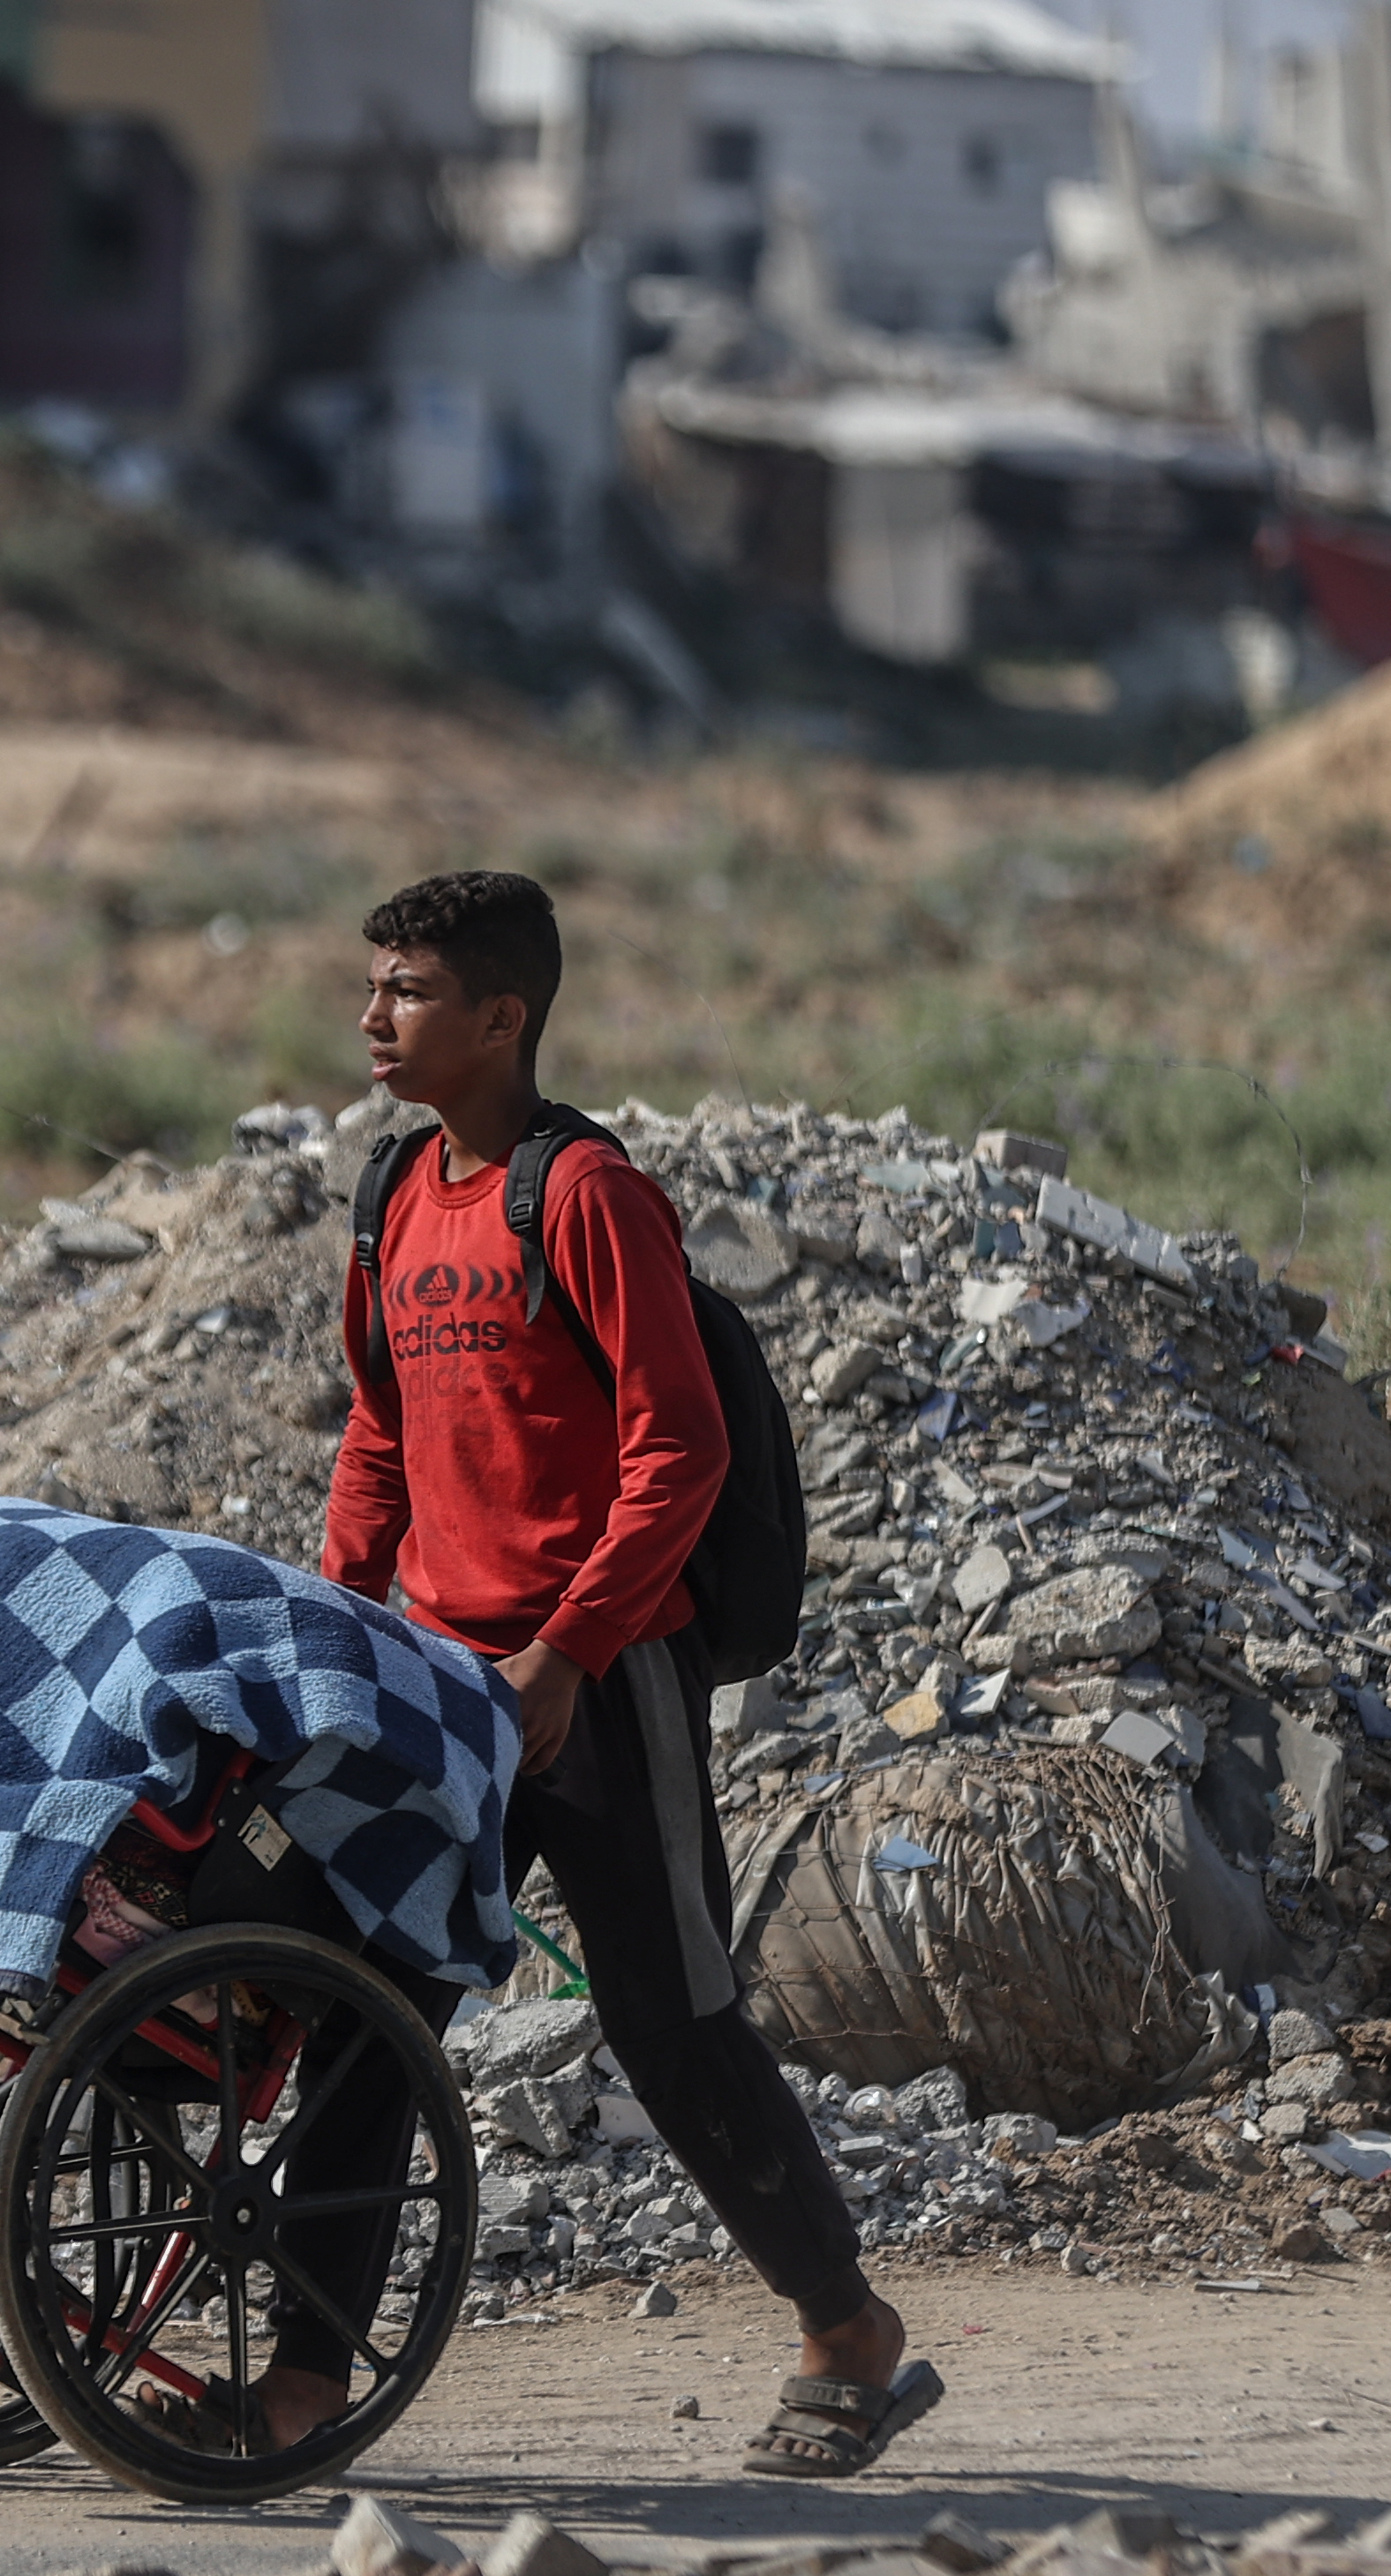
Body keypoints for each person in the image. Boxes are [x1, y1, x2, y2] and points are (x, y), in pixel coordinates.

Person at [283, 867, 936, 2481]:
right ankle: (298, 2390)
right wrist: (334, 1625)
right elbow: (381, 1430)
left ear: (501, 1017)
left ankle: (847, 2328)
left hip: (599, 1682)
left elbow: (681, 1446)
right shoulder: (393, 1195)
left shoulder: (581, 1195)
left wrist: (566, 1652)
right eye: (372, 986)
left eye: (409, 991)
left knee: (672, 2017)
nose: (374, 1017)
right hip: (442, 1684)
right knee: (370, 2015)